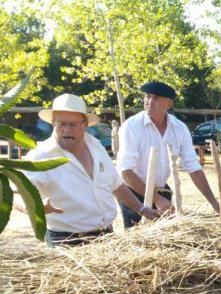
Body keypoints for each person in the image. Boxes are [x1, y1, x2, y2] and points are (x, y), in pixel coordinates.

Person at [18, 94, 158, 246]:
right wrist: (34, 207)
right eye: (61, 124)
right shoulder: (41, 156)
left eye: (73, 125)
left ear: (85, 124)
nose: (66, 130)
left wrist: (142, 209)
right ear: (53, 123)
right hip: (66, 241)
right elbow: (18, 193)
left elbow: (116, 185)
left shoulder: (96, 147)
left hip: (106, 236)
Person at [116, 81, 220, 227]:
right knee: (140, 242)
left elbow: (193, 166)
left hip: (161, 190)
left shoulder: (179, 128)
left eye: (156, 98)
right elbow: (124, 171)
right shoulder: (131, 126)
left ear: (169, 104)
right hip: (133, 193)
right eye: (147, 96)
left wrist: (214, 203)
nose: (149, 101)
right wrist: (157, 200)